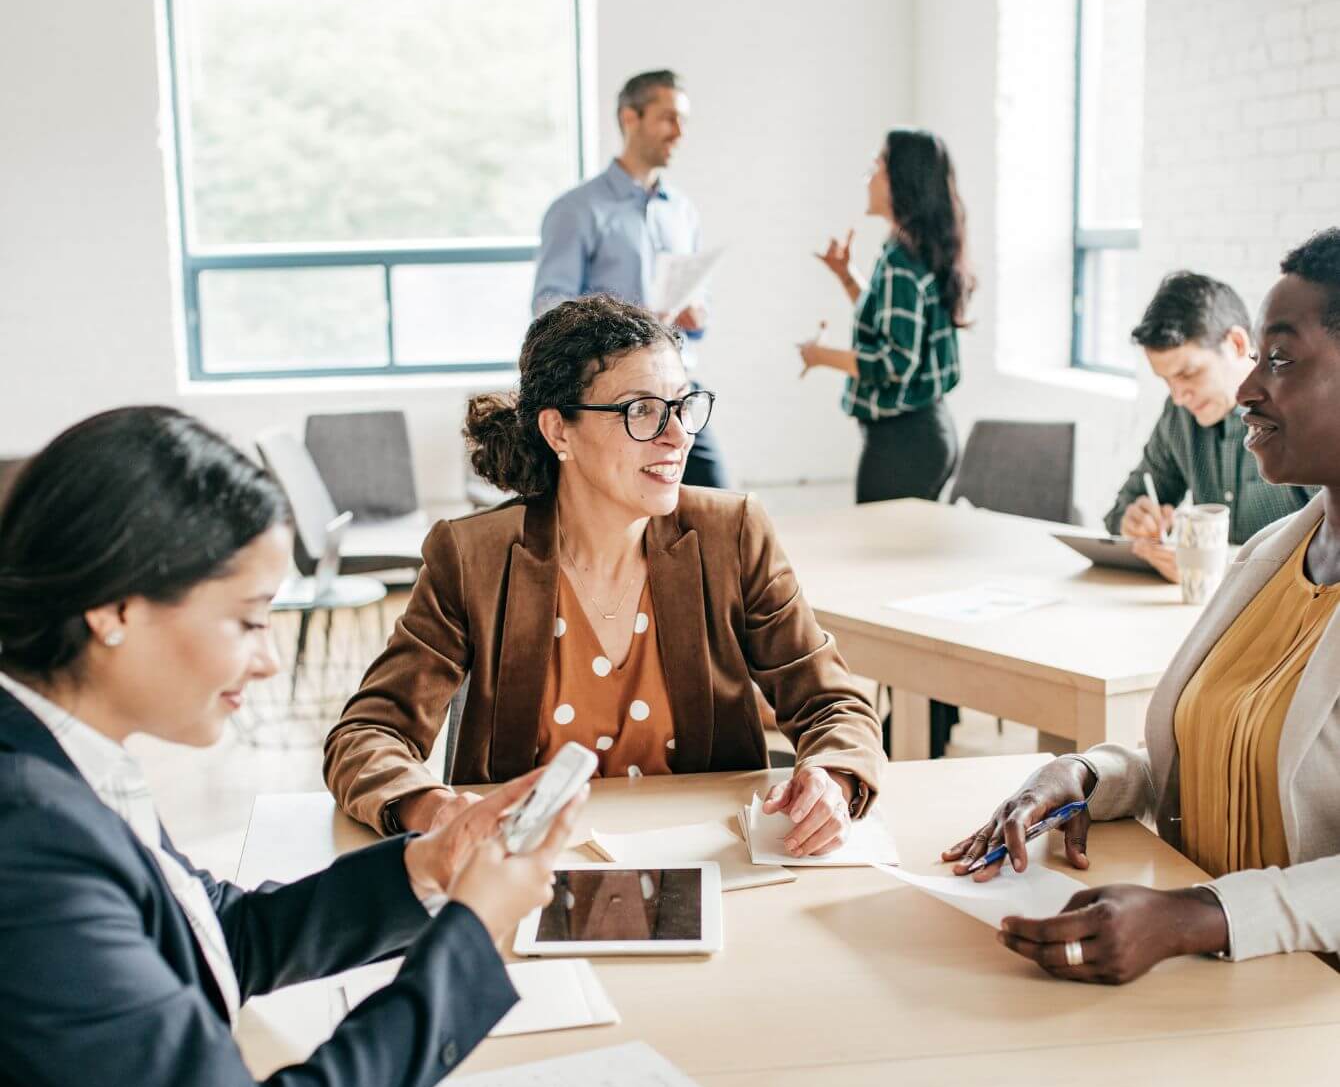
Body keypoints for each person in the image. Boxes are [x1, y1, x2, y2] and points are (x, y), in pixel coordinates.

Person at [0, 408, 580, 1087]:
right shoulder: (27, 832)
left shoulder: (61, 755)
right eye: (245, 620)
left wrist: (430, 871)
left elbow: (204, 935)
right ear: (112, 609)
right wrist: (473, 935)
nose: (269, 659)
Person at [325, 294, 883, 858]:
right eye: (640, 410)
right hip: (529, 875)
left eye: (682, 406)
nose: (677, 436)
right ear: (558, 431)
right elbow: (367, 734)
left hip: (710, 867)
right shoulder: (474, 557)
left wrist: (832, 779)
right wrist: (437, 809)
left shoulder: (732, 533)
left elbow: (834, 703)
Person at [941, 229, 1340, 985]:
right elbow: (1222, 752)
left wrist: (1198, 916)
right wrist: (1087, 775)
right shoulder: (1268, 557)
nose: (1249, 389)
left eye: (1279, 359)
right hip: (1213, 988)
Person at [531, 69, 730, 490]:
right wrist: (631, 320)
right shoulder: (577, 210)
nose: (679, 132)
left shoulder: (682, 212)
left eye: (684, 122)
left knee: (716, 502)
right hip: (612, 399)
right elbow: (549, 307)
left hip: (676, 388)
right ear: (629, 118)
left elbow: (702, 306)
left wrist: (696, 313)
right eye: (668, 118)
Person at [1106, 269, 1318, 580]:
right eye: (1166, 381)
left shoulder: (1305, 418)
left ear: (1236, 344)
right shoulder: (1180, 416)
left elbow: (1331, 554)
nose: (1178, 396)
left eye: (1188, 374)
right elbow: (1122, 508)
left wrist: (1222, 566)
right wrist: (1133, 522)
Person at [798, 127, 973, 505]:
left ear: (900, 180)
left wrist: (820, 356)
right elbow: (891, 323)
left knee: (879, 559)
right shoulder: (914, 248)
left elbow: (895, 362)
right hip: (927, 431)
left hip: (904, 442)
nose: (869, 177)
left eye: (876, 167)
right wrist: (846, 276)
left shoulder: (900, 261)